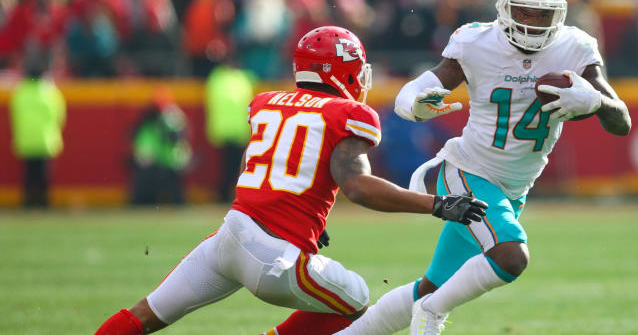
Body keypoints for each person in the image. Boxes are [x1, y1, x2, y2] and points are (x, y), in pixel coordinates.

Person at [94, 26, 487, 335]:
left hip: (229, 236)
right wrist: (436, 204)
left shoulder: (266, 102)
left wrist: (305, 214)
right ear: (343, 70)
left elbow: (264, 167)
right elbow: (358, 187)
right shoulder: (348, 112)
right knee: (356, 298)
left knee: (145, 315)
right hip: (274, 255)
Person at [334, 0, 632, 335]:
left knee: (432, 284)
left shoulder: (576, 47)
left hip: (512, 189)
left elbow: (621, 122)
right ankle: (432, 314)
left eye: (544, 13)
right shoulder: (476, 41)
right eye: (525, 10)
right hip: (466, 170)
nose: (534, 22)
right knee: (510, 255)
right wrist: (413, 103)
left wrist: (596, 103)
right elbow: (421, 86)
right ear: (504, 4)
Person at [9, 62, 66, 208]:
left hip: (25, 139)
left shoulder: (20, 93)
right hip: (45, 139)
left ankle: (28, 202)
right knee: (43, 174)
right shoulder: (50, 93)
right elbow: (59, 115)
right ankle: (43, 202)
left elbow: (14, 115)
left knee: (28, 174)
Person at [130, 86, 191, 206]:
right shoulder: (150, 120)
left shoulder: (173, 116)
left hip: (172, 159)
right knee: (147, 184)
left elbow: (177, 137)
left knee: (175, 190)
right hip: (159, 160)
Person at [205, 61, 255, 202]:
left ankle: (225, 194)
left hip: (227, 130)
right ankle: (226, 194)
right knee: (232, 166)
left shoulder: (217, 79)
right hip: (233, 130)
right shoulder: (242, 79)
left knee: (229, 166)